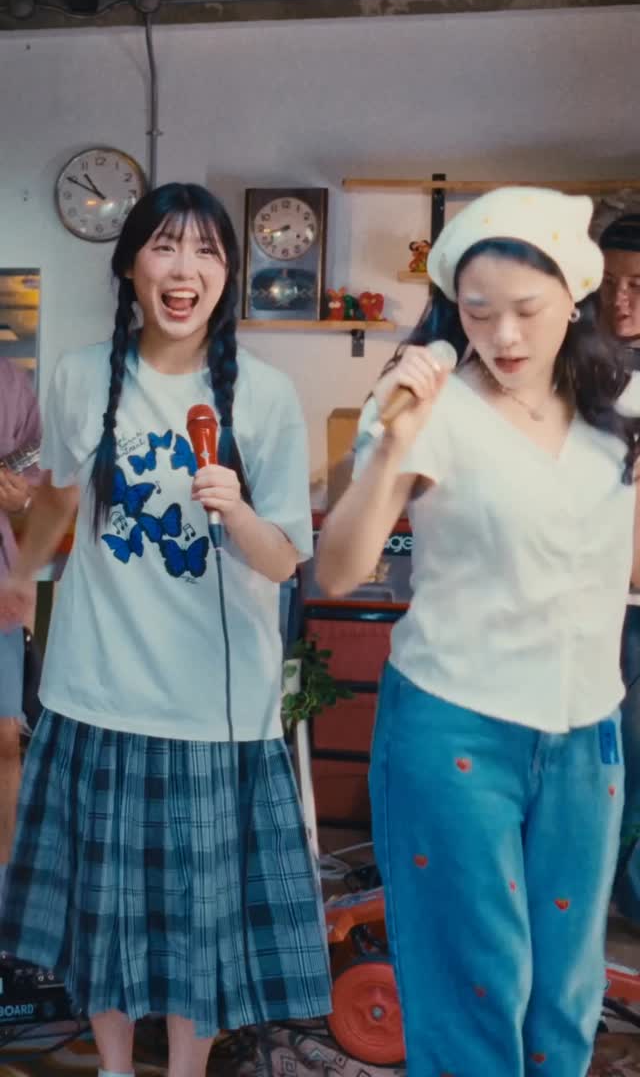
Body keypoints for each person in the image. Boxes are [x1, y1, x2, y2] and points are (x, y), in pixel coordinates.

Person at [0, 183, 331, 1077]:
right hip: (97, 692)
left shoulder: (264, 394)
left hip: (213, 713)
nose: (185, 270)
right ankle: (115, 1068)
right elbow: (61, 494)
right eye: (164, 248)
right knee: (100, 921)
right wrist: (22, 576)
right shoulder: (79, 376)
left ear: (227, 274)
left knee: (199, 932)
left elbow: (284, 561)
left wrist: (238, 510)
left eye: (207, 252)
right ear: (129, 267)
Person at [316, 187, 640, 1077]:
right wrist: (391, 445)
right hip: (455, 722)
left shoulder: (621, 407)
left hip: (585, 729)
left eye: (527, 309)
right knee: (474, 986)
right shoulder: (431, 408)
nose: (503, 335)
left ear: (574, 295)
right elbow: (337, 569)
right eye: (478, 309)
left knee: (565, 995)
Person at [600, 213, 640, 925]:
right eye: (608, 282)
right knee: (609, 760)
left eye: (637, 284)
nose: (621, 299)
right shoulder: (578, 366)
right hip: (598, 602)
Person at [0, 358, 41, 907]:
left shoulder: (10, 380)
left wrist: (22, 498)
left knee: (5, 744)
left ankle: (4, 900)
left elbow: (41, 470)